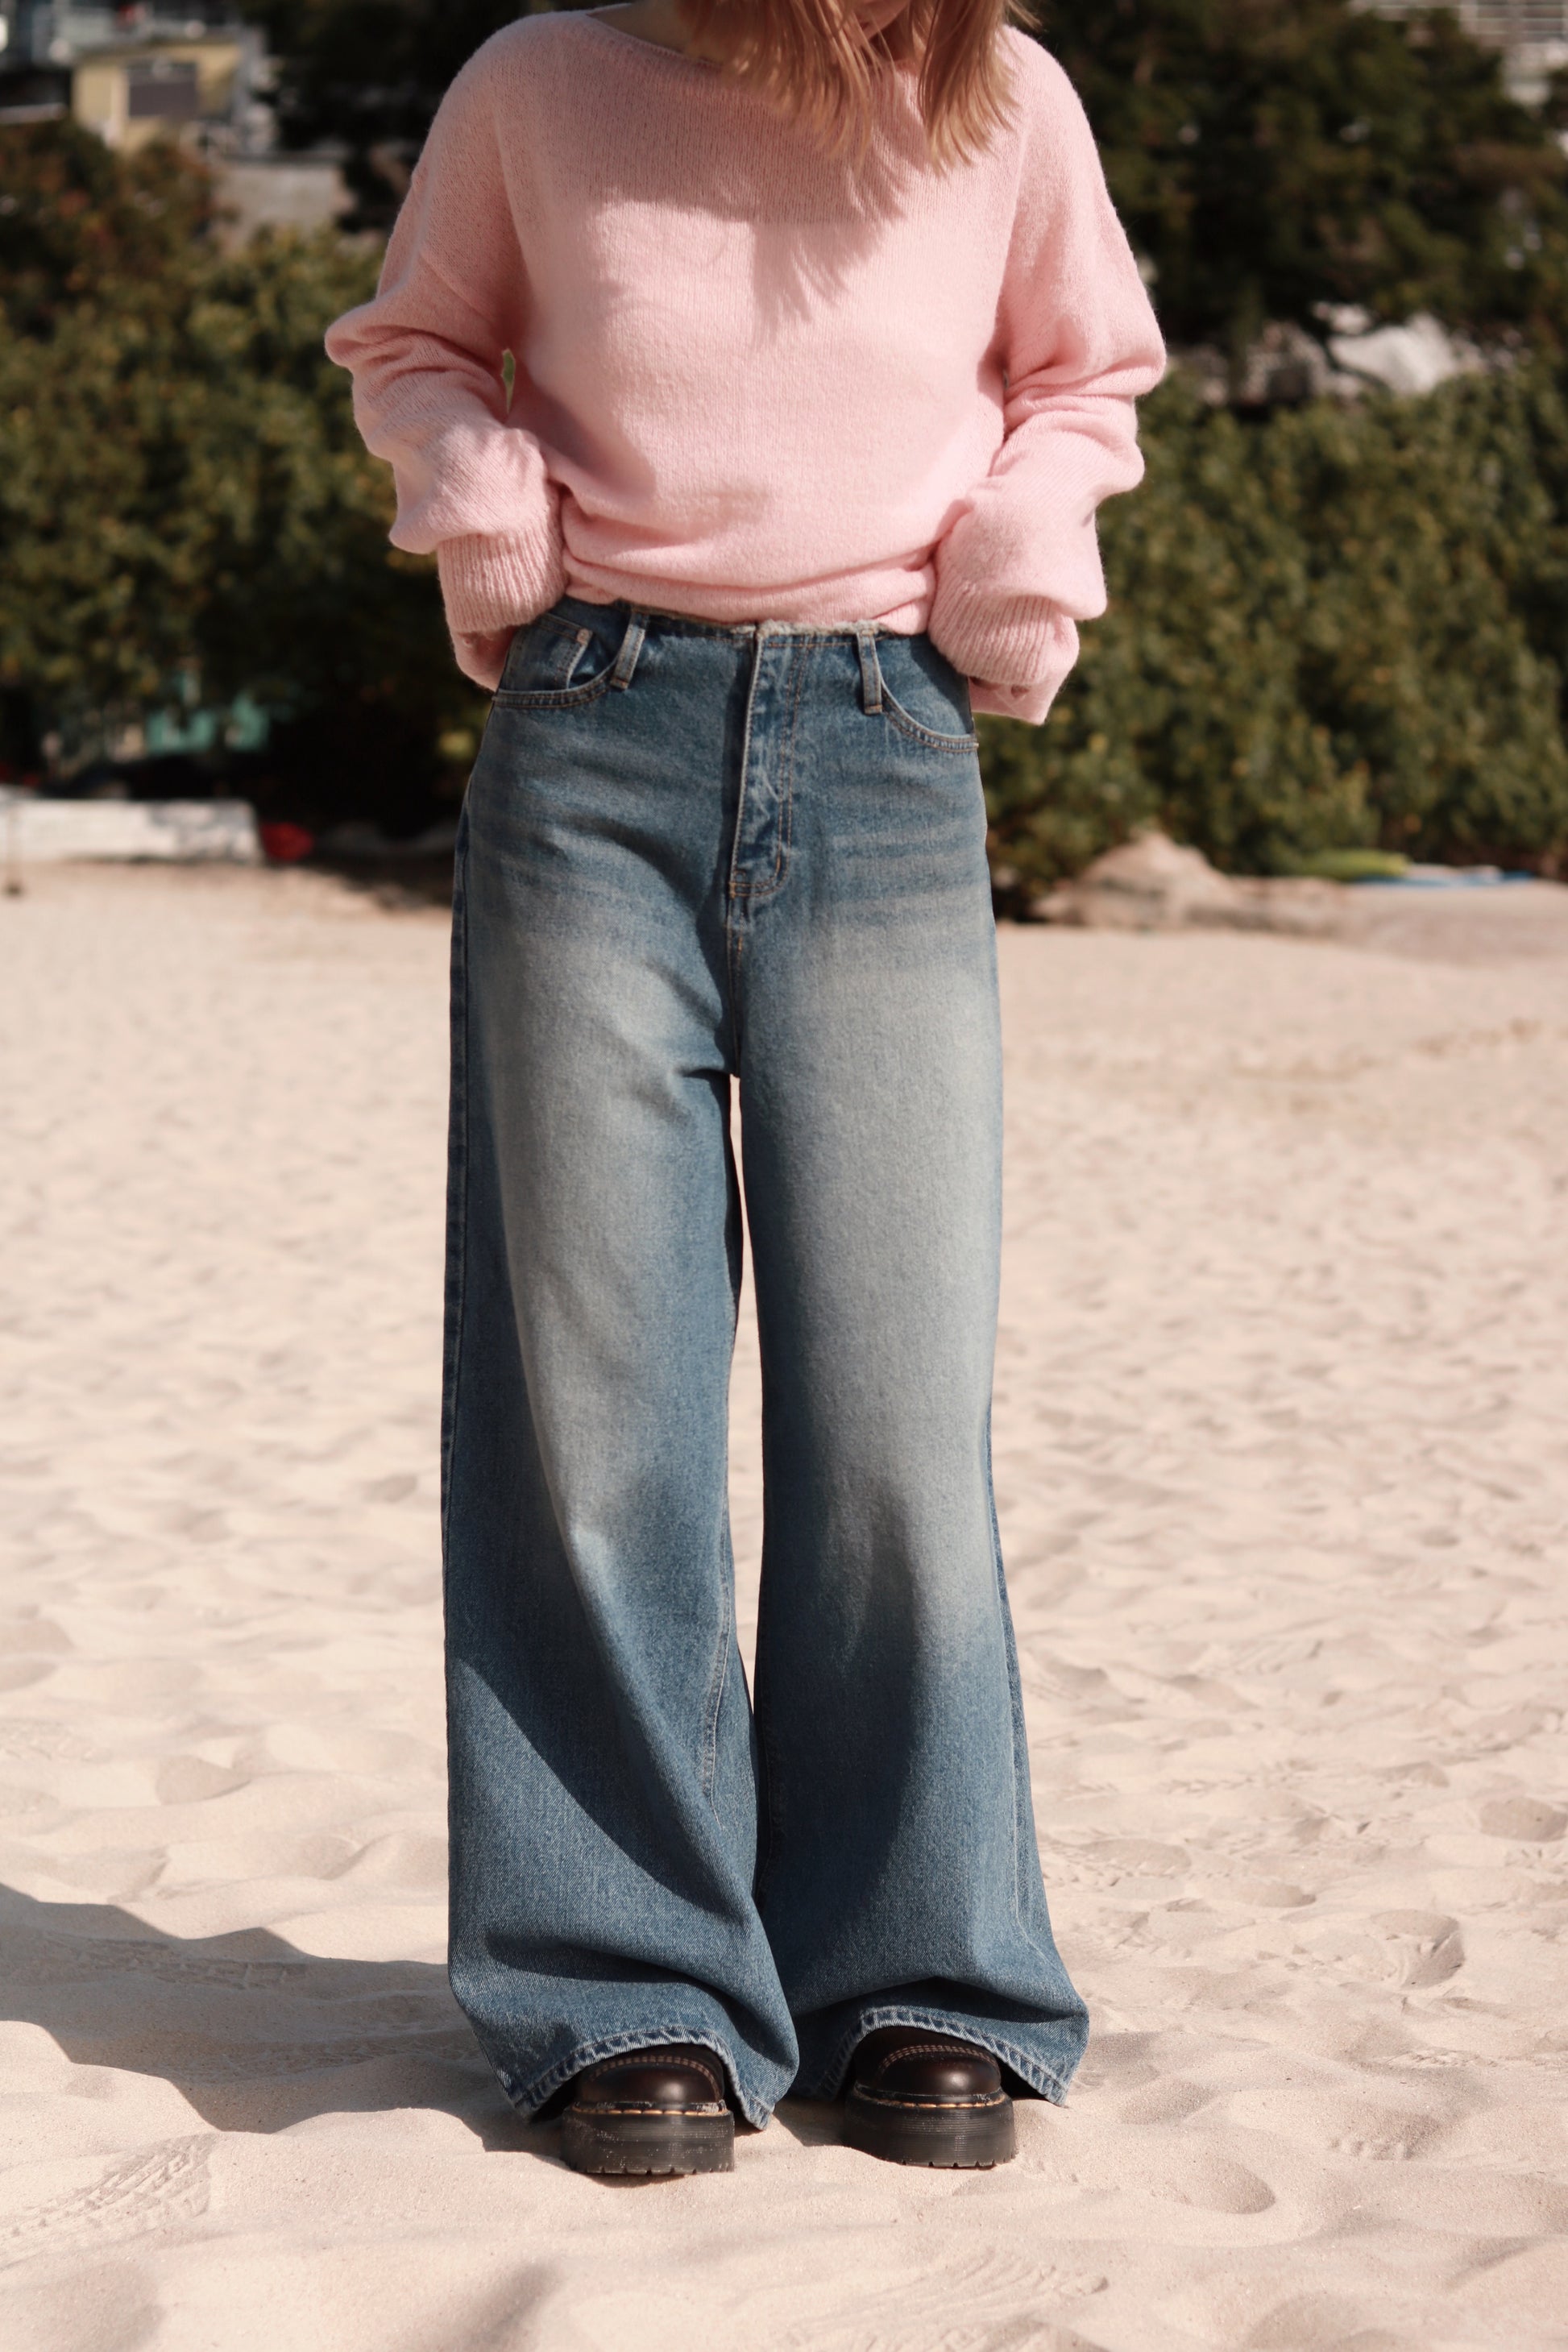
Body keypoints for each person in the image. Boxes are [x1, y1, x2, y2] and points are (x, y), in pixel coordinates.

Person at [326, 0, 1163, 2178]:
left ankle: (921, 1972)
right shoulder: (541, 83)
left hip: (887, 752)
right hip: (590, 742)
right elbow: (413, 345)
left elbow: (1087, 377)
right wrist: (481, 498)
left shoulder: (999, 95)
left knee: (894, 1415)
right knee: (595, 1416)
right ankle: (626, 1984)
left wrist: (1019, 548)